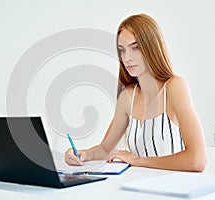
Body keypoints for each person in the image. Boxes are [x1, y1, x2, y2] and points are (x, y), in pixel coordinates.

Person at [65, 13, 207, 172]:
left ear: (152, 47)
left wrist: (136, 160)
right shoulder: (128, 96)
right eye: (122, 50)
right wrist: (81, 154)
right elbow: (105, 150)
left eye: (135, 48)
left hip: (173, 189)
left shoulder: (175, 87)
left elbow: (197, 160)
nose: (127, 58)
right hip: (137, 187)